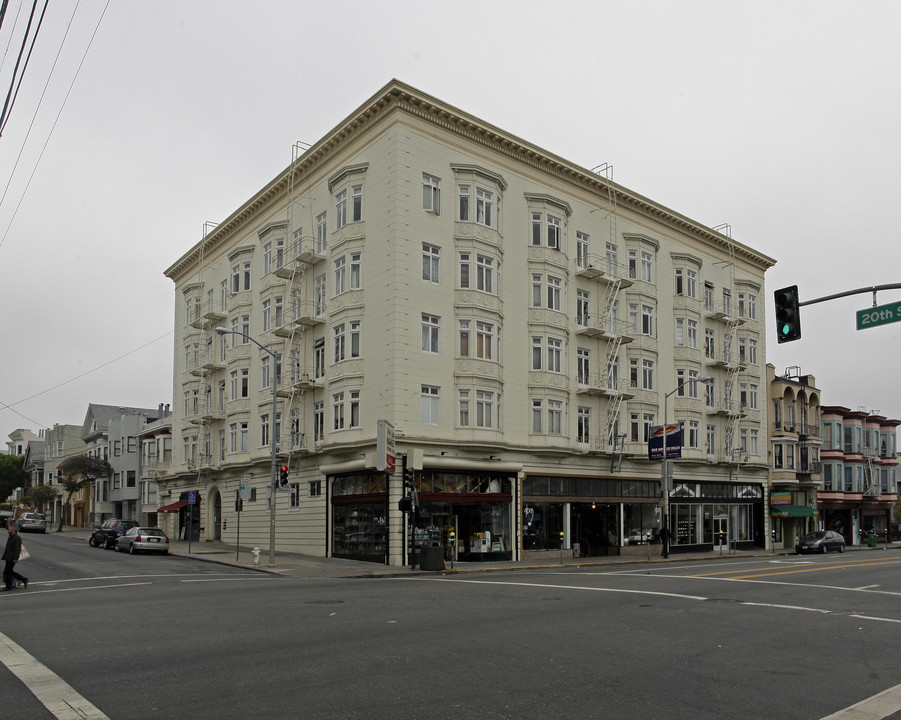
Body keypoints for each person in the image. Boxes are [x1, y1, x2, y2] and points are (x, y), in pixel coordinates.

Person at [2, 521, 28, 591]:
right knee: (9, 571)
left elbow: (17, 549)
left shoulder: (17, 538)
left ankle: (9, 586)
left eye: (9, 529)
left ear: (13, 530)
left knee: (8, 571)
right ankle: (23, 579)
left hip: (12, 557)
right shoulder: (11, 536)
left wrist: (15, 558)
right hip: (8, 557)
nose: (8, 530)